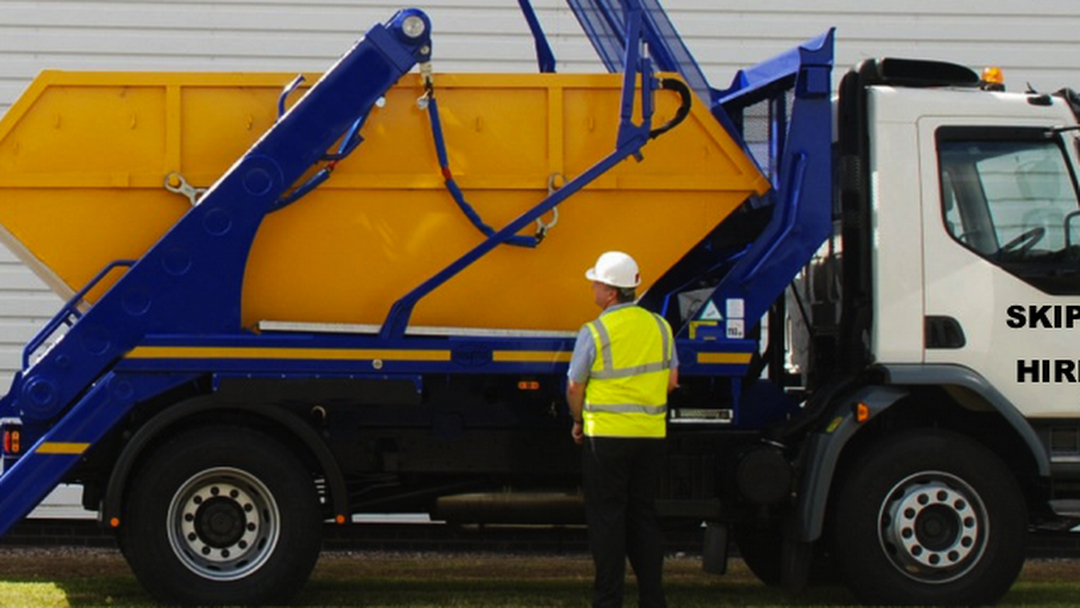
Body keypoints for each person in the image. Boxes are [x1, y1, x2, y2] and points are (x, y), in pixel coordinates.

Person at [566, 251, 678, 608]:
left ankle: (608, 600)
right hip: (650, 436)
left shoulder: (595, 330)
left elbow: (574, 386)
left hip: (607, 437)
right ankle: (653, 599)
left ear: (611, 292)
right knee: (643, 516)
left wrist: (577, 420)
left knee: (608, 520)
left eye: (597, 283)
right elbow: (672, 381)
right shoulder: (660, 326)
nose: (594, 288)